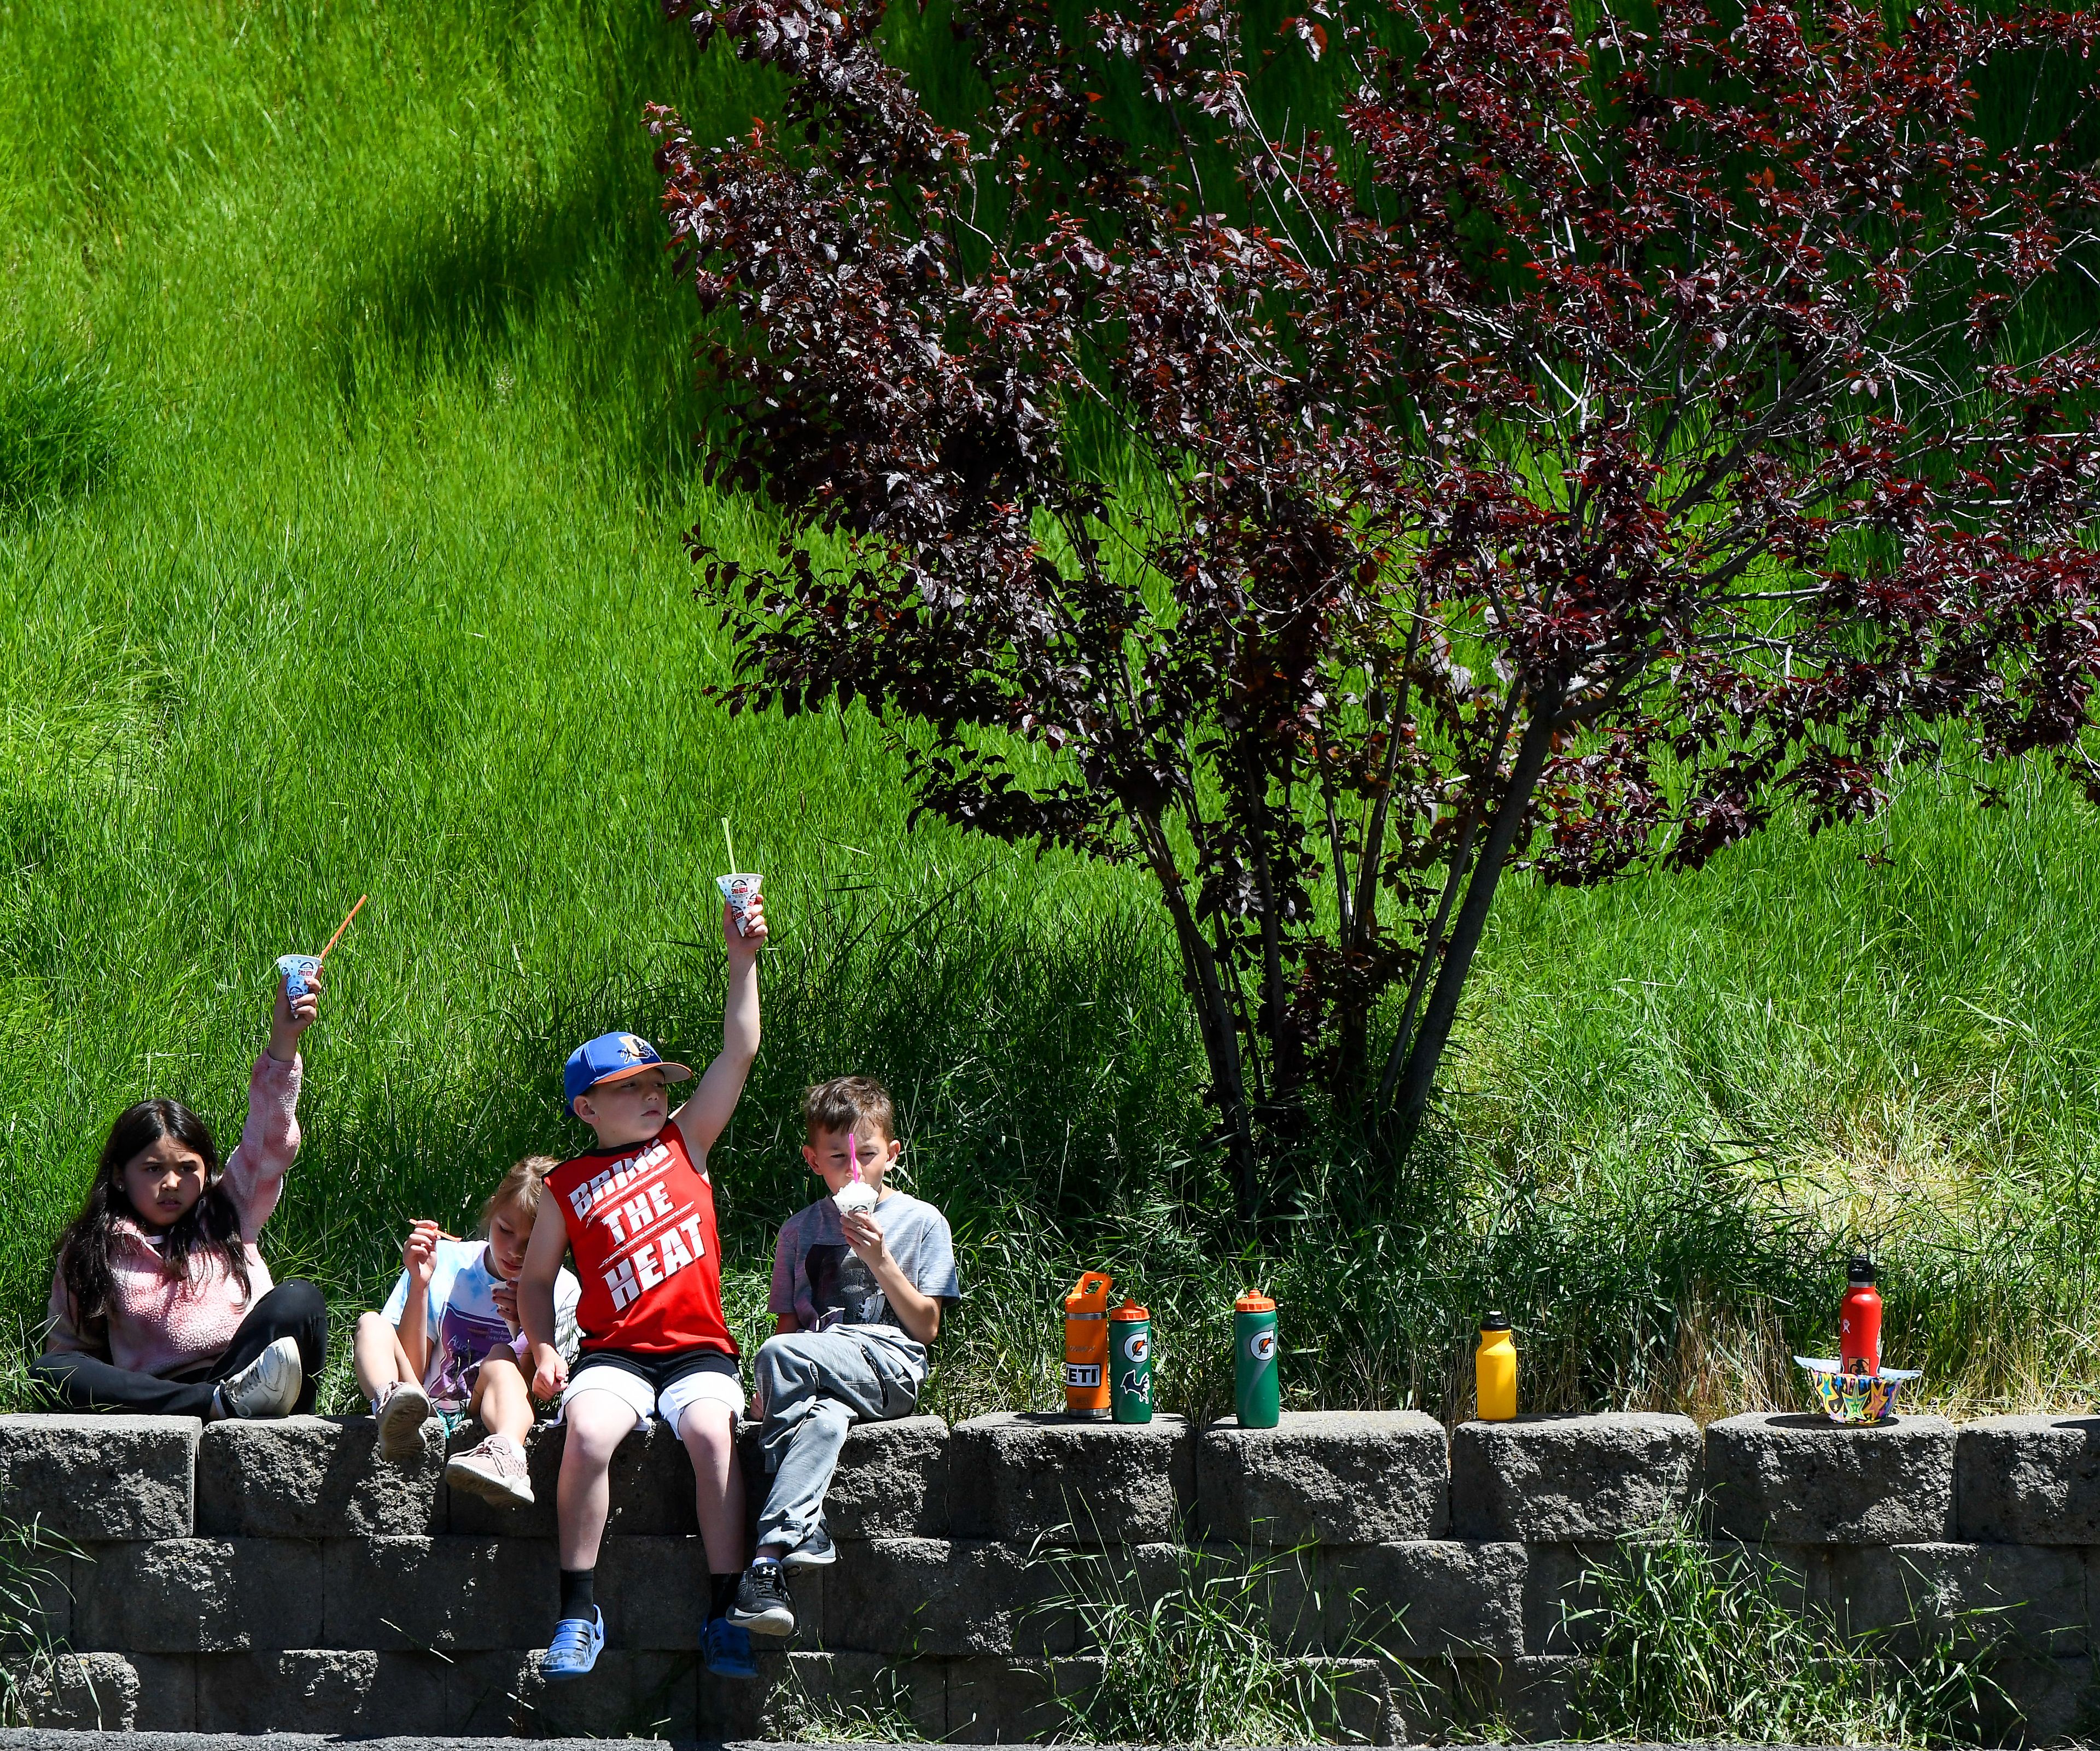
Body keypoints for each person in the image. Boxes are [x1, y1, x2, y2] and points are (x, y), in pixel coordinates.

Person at [518, 889, 768, 1684]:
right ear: (587, 1106)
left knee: (712, 1437)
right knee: (587, 1433)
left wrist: (743, 961)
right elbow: (534, 1278)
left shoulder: (687, 1140)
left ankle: (725, 1608)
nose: (654, 1093)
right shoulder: (566, 1184)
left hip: (700, 1350)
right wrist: (544, 1347)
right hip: (615, 1353)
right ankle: (577, 1608)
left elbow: (739, 1053)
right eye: (632, 1087)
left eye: (657, 1080)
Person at [33, 968, 328, 1419]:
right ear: (119, 1176)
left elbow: (268, 1139)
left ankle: (231, 1397)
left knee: (300, 1299)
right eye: (153, 1169)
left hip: (258, 1373)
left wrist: (283, 1043)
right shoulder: (94, 1247)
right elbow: (71, 1350)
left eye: (187, 1169)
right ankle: (213, 1403)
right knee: (51, 1370)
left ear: (206, 1171)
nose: (172, 1184)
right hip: (162, 1396)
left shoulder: (231, 1209)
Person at [728, 1075, 959, 1639]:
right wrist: (771, 1387)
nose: (855, 1170)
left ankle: (783, 1519)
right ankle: (770, 1560)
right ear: (813, 1160)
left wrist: (880, 1258)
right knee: (824, 1423)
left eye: (869, 1155)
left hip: (890, 1364)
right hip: (820, 1375)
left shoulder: (922, 1221)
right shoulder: (798, 1231)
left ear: (893, 1154)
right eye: (838, 1158)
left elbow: (927, 1328)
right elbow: (790, 1326)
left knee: (780, 1354)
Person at [351, 1156, 582, 1505]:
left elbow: (539, 1392)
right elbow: (414, 1366)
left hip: (487, 1409)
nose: (515, 1252)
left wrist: (525, 1328)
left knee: (501, 1357)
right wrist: (419, 1286)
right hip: (423, 1406)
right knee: (371, 1323)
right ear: (492, 1212)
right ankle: (390, 1406)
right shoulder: (446, 1261)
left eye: (532, 1242)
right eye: (505, 1231)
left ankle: (507, 1454)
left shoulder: (562, 1290)